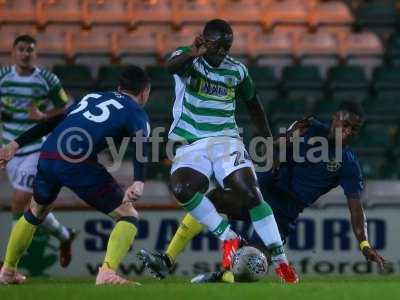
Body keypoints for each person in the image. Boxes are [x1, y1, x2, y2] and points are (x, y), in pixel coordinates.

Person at [139, 101, 386, 283]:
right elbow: (271, 149)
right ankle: (167, 260)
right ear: (335, 119)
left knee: (252, 266)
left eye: (354, 129)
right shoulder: (309, 129)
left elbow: (356, 208)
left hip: (285, 214)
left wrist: (364, 243)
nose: (348, 131)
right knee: (213, 199)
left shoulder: (348, 164)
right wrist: (287, 138)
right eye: (345, 125)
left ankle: (223, 276)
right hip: (263, 191)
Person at [137, 19, 298, 283]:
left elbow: (253, 105)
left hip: (226, 141)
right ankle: (228, 237)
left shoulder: (237, 70)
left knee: (251, 193)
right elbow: (169, 67)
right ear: (205, 40)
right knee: (182, 190)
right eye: (218, 46)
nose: (222, 52)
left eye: (227, 47)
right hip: (191, 143)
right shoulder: (188, 59)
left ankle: (281, 261)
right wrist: (192, 52)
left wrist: (268, 142)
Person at [0, 66, 151, 285]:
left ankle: (8, 271)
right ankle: (107, 273)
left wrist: (15, 143)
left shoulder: (92, 96)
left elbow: (54, 121)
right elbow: (142, 143)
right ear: (145, 92)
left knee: (36, 211)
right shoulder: (136, 111)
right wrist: (139, 180)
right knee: (128, 215)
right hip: (76, 160)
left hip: (48, 153)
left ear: (119, 87)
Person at [0, 34, 77, 268]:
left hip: (35, 147)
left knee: (18, 201)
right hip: (9, 148)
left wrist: (44, 116)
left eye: (30, 50)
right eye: (21, 49)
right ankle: (64, 235)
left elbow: (68, 106)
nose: (26, 53)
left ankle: (10, 263)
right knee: (32, 206)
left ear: (36, 53)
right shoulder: (3, 77)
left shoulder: (46, 79)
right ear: (13, 52)